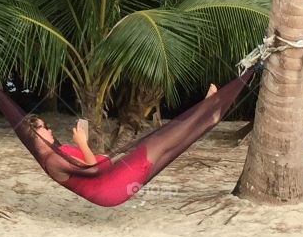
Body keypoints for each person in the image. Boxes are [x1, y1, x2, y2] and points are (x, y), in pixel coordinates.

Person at [28, 82, 219, 208]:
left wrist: (82, 141)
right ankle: (206, 110)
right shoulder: (52, 160)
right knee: (162, 142)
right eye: (44, 128)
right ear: (35, 135)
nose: (49, 130)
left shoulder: (56, 152)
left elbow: (86, 163)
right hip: (110, 187)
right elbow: (91, 169)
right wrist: (82, 144)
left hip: (112, 177)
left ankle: (208, 117)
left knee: (165, 145)